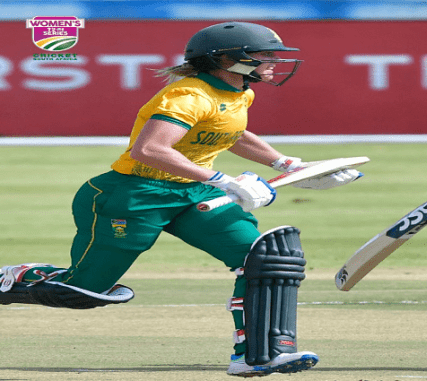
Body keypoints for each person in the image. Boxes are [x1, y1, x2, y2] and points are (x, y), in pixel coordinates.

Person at [0, 22, 362, 377]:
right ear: (227, 59)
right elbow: (150, 149)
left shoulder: (241, 91)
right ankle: (19, 275)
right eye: (264, 54)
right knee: (83, 293)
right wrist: (223, 180)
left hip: (192, 193)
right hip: (132, 192)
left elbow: (230, 133)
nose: (274, 61)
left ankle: (258, 356)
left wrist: (287, 164)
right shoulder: (188, 95)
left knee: (262, 259)